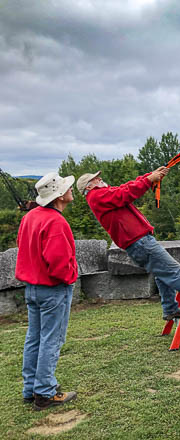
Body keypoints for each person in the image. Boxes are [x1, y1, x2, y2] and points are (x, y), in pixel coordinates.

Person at [76, 168, 180, 320]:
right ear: (88, 187)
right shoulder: (97, 196)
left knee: (162, 274)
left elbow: (124, 187)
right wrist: (149, 180)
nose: (100, 179)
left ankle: (170, 308)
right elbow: (124, 193)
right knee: (173, 270)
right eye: (95, 179)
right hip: (139, 242)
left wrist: (149, 176)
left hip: (139, 242)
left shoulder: (101, 194)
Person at [16, 172, 78, 410]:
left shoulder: (31, 217)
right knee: (52, 340)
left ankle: (30, 388)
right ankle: (44, 393)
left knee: (34, 339)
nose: (70, 190)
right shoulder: (56, 222)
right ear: (60, 196)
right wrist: (71, 278)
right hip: (53, 289)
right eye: (67, 188)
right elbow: (59, 263)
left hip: (32, 288)